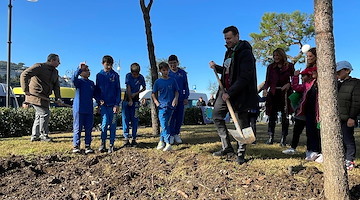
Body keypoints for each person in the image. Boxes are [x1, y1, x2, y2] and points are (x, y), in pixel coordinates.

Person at [209, 26, 258, 165]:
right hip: (224, 91)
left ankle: (241, 153)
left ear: (237, 36)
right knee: (217, 115)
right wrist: (217, 68)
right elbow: (228, 71)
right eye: (225, 38)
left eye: (229, 38)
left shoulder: (245, 53)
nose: (227, 41)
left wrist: (231, 92)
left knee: (241, 123)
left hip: (239, 93)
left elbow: (244, 76)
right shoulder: (229, 52)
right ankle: (227, 147)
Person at [20, 53, 63, 142]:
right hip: (35, 95)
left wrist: (58, 98)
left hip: (45, 96)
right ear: (52, 60)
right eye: (58, 61)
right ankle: (43, 135)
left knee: (39, 116)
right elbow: (24, 74)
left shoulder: (55, 72)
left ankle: (35, 136)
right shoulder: (39, 66)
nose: (59, 63)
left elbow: (56, 86)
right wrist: (25, 89)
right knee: (44, 113)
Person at [263, 48, 295, 146]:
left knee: (285, 116)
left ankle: (283, 139)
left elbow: (294, 79)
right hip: (273, 93)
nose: (276, 57)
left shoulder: (290, 66)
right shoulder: (270, 67)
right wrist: (265, 89)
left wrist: (289, 84)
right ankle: (270, 137)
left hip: (285, 93)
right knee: (272, 116)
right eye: (274, 55)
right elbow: (267, 80)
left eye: (278, 55)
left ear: (282, 55)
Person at [282, 67, 315, 154]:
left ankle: (310, 149)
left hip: (311, 112)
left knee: (310, 132)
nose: (302, 78)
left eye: (303, 76)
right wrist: (295, 77)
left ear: (309, 76)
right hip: (301, 112)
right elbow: (295, 87)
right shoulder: (304, 86)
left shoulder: (313, 85)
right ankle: (293, 147)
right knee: (296, 131)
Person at [336, 61, 360, 170]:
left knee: (348, 139)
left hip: (348, 118)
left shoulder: (355, 83)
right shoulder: (336, 83)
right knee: (339, 139)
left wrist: (352, 117)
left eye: (339, 71)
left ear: (347, 70)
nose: (337, 73)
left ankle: (349, 160)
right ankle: (343, 158)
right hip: (337, 117)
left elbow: (356, 102)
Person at [95, 55, 121, 153]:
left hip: (113, 105)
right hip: (104, 106)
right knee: (104, 124)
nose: (109, 67)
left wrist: (117, 104)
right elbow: (97, 90)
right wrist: (99, 100)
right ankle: (102, 143)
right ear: (103, 64)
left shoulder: (115, 75)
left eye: (110, 65)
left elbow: (118, 90)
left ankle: (111, 144)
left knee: (113, 125)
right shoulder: (99, 75)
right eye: (107, 64)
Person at [152, 62, 179, 151]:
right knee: (164, 124)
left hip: (170, 106)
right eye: (163, 70)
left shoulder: (172, 81)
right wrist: (156, 102)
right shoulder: (158, 82)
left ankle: (161, 141)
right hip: (162, 107)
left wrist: (175, 99)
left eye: (167, 70)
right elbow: (153, 93)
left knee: (166, 124)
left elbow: (177, 91)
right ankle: (168, 143)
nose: (166, 72)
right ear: (160, 71)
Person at [71, 62, 95, 154]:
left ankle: (88, 145)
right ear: (81, 73)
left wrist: (99, 100)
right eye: (85, 71)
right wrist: (80, 69)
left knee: (88, 129)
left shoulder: (91, 83)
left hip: (89, 109)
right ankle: (76, 145)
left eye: (88, 70)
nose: (88, 72)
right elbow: (73, 79)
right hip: (79, 109)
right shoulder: (79, 82)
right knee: (77, 128)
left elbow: (95, 94)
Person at [122, 63, 146, 147]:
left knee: (135, 119)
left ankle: (134, 138)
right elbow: (128, 88)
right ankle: (126, 138)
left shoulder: (141, 77)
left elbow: (144, 88)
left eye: (137, 74)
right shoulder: (128, 76)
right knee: (125, 119)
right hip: (126, 100)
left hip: (135, 101)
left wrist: (136, 93)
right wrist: (130, 99)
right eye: (134, 74)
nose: (135, 76)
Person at [168, 55, 189, 144]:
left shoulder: (182, 73)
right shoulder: (167, 73)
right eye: (171, 63)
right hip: (170, 99)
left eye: (174, 63)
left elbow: (186, 86)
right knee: (171, 117)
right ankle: (171, 134)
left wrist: (186, 97)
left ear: (177, 62)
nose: (173, 65)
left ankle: (177, 134)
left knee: (179, 117)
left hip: (180, 99)